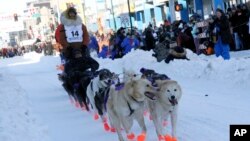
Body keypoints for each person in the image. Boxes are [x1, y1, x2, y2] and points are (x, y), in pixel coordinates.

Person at [55, 7, 99, 75]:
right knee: (70, 66)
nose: (72, 15)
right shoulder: (63, 26)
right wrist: (67, 47)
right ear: (67, 15)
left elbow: (85, 35)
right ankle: (70, 79)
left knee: (85, 62)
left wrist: (84, 45)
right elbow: (61, 38)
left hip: (81, 48)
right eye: (70, 14)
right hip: (69, 49)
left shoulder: (81, 25)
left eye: (73, 13)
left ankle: (88, 75)